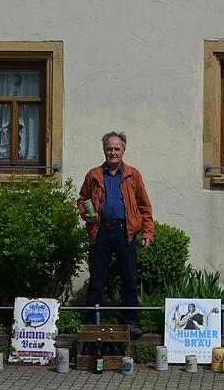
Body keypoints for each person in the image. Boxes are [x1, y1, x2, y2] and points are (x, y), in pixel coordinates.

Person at [78, 131, 153, 338]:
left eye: (116, 149)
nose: (113, 152)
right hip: (100, 231)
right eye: (109, 148)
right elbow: (82, 198)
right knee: (97, 279)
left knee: (129, 278)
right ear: (104, 150)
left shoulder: (132, 174)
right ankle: (93, 321)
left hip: (125, 231)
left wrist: (147, 231)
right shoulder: (93, 175)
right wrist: (87, 214)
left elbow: (144, 205)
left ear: (123, 150)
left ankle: (130, 322)